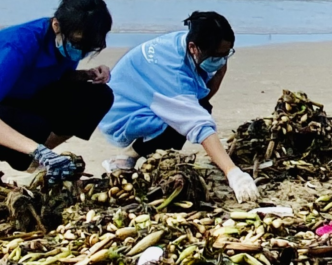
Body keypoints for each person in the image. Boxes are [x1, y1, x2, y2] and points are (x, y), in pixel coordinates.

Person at [0, 0, 114, 183]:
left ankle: (30, 159)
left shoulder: (65, 45)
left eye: (90, 47)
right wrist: (38, 150)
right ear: (56, 26)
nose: (81, 51)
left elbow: (48, 76)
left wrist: (86, 75)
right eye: (79, 44)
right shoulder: (19, 45)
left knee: (98, 96)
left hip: (18, 95)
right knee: (32, 125)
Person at [99, 11, 259, 201]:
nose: (222, 60)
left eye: (227, 54)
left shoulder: (187, 46)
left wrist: (220, 73)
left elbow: (201, 98)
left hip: (144, 100)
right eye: (218, 55)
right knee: (185, 122)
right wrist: (233, 173)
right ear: (194, 48)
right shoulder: (173, 71)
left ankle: (136, 155)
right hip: (120, 111)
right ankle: (126, 157)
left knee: (201, 108)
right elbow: (196, 122)